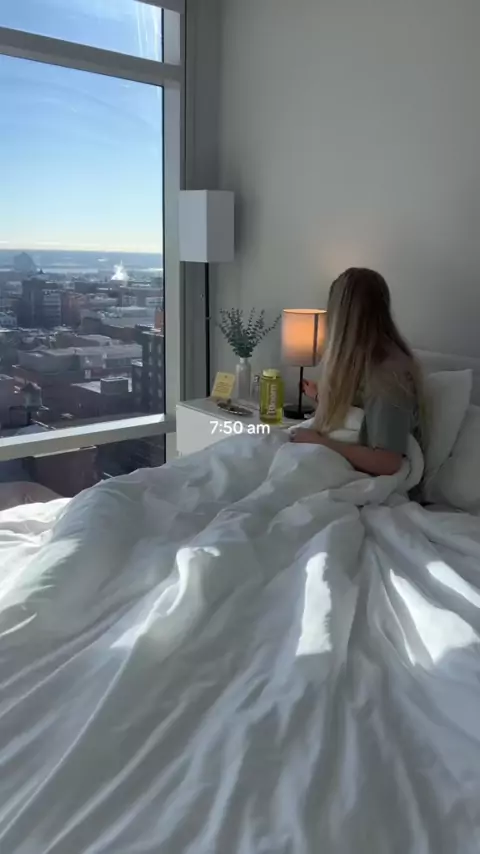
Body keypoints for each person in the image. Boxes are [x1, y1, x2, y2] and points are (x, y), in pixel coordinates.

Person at [290, 267, 426, 476]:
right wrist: (321, 396)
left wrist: (319, 442)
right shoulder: (364, 364)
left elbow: (387, 462)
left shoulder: (388, 374)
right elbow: (363, 413)